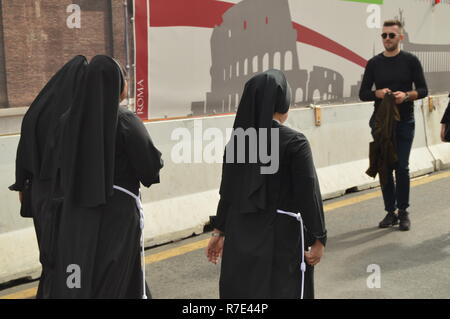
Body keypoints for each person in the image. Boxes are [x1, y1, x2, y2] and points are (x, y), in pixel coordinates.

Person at [48, 55, 163, 298]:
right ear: (116, 84)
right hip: (116, 212)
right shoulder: (125, 120)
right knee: (118, 275)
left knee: (85, 273)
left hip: (77, 211)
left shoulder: (66, 121)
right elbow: (150, 169)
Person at [206, 69, 327, 299]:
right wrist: (319, 238)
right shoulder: (295, 143)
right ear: (283, 101)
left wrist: (218, 231)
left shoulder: (237, 144)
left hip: (240, 239)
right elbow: (308, 194)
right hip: (280, 241)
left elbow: (228, 193)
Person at [9, 56, 88, 298]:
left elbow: (23, 154)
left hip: (38, 193)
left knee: (49, 255)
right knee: (71, 257)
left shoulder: (35, 111)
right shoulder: (74, 115)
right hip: (64, 195)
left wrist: (25, 189)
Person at [359, 19, 428, 231]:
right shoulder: (373, 63)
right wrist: (377, 94)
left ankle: (403, 211)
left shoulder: (411, 61)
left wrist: (406, 95)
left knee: (402, 167)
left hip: (405, 121)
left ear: (400, 37)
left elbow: (424, 90)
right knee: (385, 167)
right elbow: (362, 94)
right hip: (382, 124)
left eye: (391, 35)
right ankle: (390, 212)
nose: (387, 39)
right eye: (384, 35)